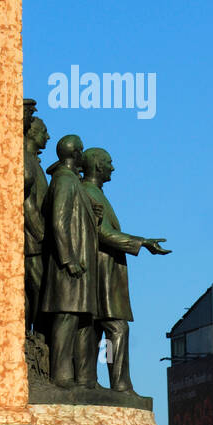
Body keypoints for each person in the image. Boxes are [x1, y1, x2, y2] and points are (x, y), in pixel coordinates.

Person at [81, 147, 170, 393]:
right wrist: (143, 242)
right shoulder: (89, 192)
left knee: (96, 329)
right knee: (117, 328)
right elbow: (102, 233)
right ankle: (119, 385)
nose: (113, 167)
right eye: (109, 162)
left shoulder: (93, 192)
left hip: (100, 271)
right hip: (102, 272)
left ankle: (90, 379)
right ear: (98, 166)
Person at [40, 133, 99, 388]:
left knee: (80, 320)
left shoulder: (72, 181)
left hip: (80, 266)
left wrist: (92, 212)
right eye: (81, 151)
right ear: (75, 154)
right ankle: (62, 376)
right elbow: (58, 221)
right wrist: (68, 258)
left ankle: (84, 378)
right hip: (69, 265)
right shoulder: (63, 181)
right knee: (66, 318)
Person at [23, 110, 50, 332]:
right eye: (44, 131)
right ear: (31, 133)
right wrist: (41, 234)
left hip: (36, 240)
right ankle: (34, 337)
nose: (48, 137)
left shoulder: (35, 162)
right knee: (39, 290)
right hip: (33, 242)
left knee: (37, 292)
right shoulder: (26, 161)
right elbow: (26, 203)